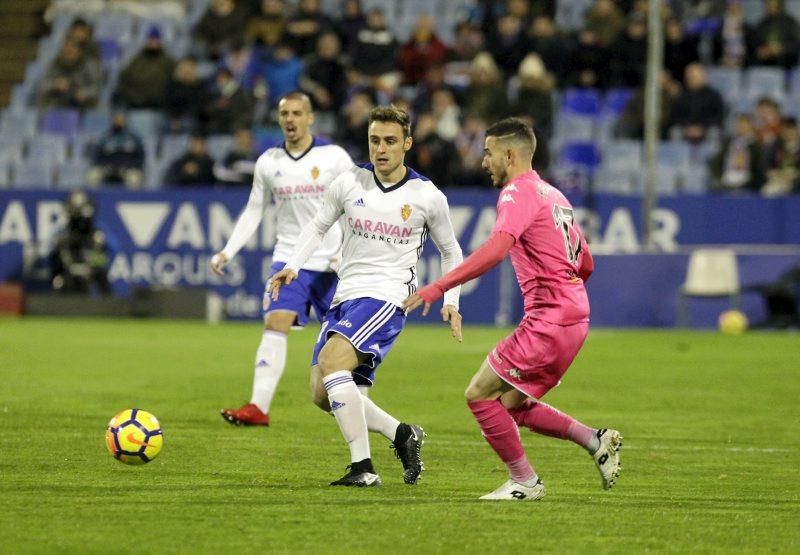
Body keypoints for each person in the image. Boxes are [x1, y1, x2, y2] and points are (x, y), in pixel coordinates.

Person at [403, 118, 622, 501]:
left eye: (487, 153)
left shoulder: (516, 193)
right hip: (573, 316)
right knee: (511, 403)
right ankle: (595, 440)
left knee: (479, 395)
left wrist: (439, 285)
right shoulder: (554, 195)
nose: (483, 161)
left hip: (550, 318)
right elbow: (585, 262)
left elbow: (496, 249)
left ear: (509, 154)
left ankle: (525, 481)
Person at [268, 105, 464, 487]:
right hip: (347, 295)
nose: (381, 149)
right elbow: (318, 225)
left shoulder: (426, 195)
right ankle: (402, 434)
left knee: (330, 361)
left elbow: (451, 251)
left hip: (387, 297)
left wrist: (450, 299)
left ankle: (363, 468)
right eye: (375, 140)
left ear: (407, 143)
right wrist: (293, 264)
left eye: (390, 141)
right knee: (321, 394)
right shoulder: (349, 182)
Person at [211, 92, 353, 427]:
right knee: (275, 322)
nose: (290, 119)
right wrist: (228, 250)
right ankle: (258, 407)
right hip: (289, 261)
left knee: (344, 343)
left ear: (310, 118)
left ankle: (357, 405)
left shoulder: (334, 157)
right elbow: (254, 210)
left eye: (297, 113)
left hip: (333, 262)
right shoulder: (268, 162)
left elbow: (357, 203)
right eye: (285, 113)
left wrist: (345, 250)